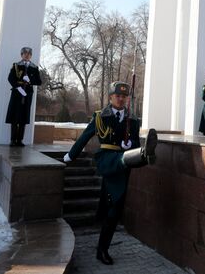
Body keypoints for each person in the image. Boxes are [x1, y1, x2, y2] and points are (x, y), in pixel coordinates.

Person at [63, 82, 158, 265]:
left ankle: (102, 249)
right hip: (107, 158)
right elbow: (84, 137)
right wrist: (70, 155)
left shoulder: (133, 120)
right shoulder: (100, 116)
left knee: (114, 209)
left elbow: (134, 141)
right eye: (117, 96)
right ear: (110, 97)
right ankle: (144, 156)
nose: (121, 99)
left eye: (124, 96)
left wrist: (132, 145)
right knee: (121, 165)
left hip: (123, 165)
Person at [5, 47, 42, 147]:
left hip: (27, 94)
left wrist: (30, 81)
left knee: (23, 117)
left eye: (29, 54)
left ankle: (20, 140)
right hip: (17, 93)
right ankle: (13, 140)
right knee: (14, 117)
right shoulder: (16, 65)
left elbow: (39, 81)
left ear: (31, 56)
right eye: (25, 53)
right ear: (21, 55)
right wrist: (18, 88)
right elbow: (11, 78)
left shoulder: (34, 67)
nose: (27, 55)